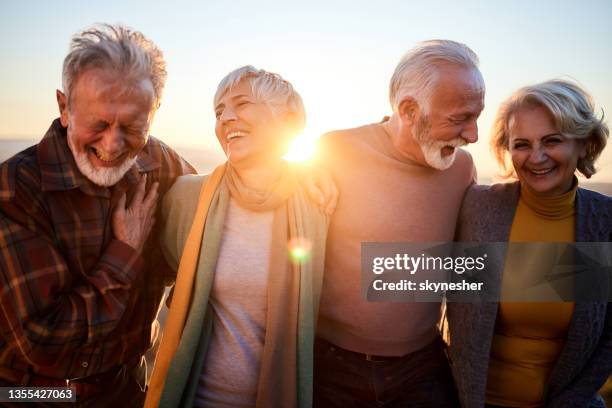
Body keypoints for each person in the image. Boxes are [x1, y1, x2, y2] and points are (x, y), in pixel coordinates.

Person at [0, 24, 195, 406]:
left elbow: (226, 198)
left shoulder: (160, 163)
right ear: (64, 107)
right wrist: (125, 253)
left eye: (133, 127)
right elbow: (43, 344)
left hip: (128, 390)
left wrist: (301, 186)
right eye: (100, 124)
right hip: (31, 395)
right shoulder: (15, 190)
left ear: (154, 113)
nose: (113, 145)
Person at [144, 66, 329, 408]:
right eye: (218, 111)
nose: (226, 117)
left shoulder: (319, 204)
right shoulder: (188, 198)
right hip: (195, 398)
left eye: (241, 104)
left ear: (285, 120)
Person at [313, 40, 485, 406]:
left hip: (422, 369)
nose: (473, 135)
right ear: (409, 109)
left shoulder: (463, 168)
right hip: (330, 368)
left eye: (476, 116)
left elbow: (472, 265)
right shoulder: (334, 152)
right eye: (459, 119)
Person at [448, 79, 611, 407]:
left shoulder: (604, 222)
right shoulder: (478, 207)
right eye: (521, 144)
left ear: (584, 144)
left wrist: (571, 400)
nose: (536, 157)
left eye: (552, 141)